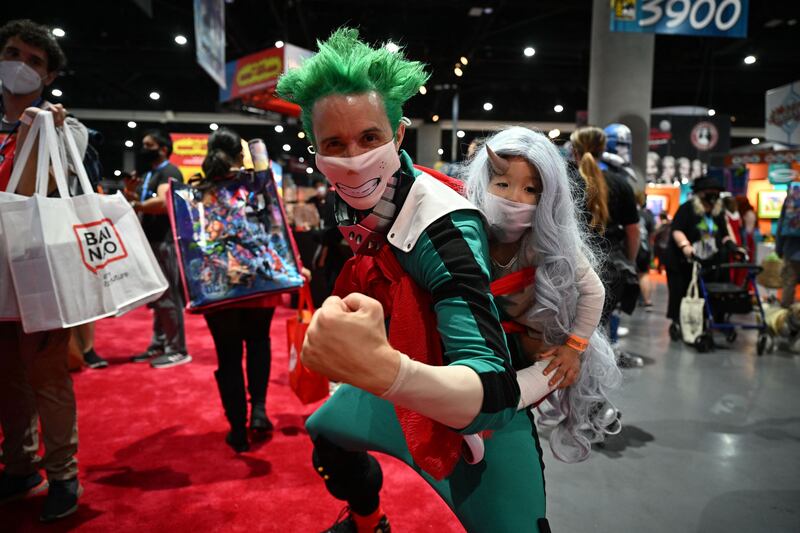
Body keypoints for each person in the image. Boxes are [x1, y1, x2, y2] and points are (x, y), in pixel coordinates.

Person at [278, 28, 551, 532]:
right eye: (333, 143)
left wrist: (385, 372)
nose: (353, 157)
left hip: (474, 410)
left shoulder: (443, 226)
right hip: (403, 369)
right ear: (315, 147)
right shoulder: (350, 198)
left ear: (398, 135)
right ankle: (368, 521)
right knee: (327, 433)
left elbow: (490, 392)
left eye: (369, 138)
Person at [462, 127, 622, 462]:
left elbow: (594, 291)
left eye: (530, 189)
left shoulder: (547, 240)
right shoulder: (466, 226)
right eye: (502, 184)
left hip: (531, 338)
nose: (514, 197)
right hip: (480, 331)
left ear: (546, 196)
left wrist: (574, 347)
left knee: (553, 367)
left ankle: (484, 418)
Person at [0, 19, 85, 521]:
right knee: (7, 377)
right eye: (13, 53)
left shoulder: (63, 128)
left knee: (48, 376)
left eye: (34, 61)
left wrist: (40, 130)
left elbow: (39, 196)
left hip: (38, 270)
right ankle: (18, 463)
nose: (21, 66)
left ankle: (62, 472)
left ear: (49, 74)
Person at [196, 128, 283, 452]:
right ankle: (259, 411)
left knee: (228, 354)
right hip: (259, 278)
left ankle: (237, 427)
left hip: (218, 283)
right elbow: (277, 224)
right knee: (259, 342)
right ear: (238, 157)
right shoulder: (256, 186)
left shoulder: (198, 191)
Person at [570, 126, 642, 367]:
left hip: (573, 266)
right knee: (602, 323)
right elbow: (633, 232)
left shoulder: (568, 181)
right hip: (612, 268)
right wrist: (630, 262)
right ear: (603, 150)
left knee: (571, 327)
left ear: (574, 151)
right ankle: (601, 371)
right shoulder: (622, 185)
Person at [128, 129, 192, 368]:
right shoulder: (150, 174)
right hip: (150, 241)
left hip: (164, 241)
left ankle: (177, 349)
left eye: (149, 144)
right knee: (157, 297)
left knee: (168, 297)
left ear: (163, 149)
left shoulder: (169, 171)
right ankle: (160, 343)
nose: (144, 149)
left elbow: (164, 203)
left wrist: (136, 203)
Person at [664, 177, 737, 339]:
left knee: (711, 290)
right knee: (681, 291)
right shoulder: (687, 209)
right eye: (709, 193)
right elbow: (677, 230)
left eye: (716, 194)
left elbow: (724, 234)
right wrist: (686, 246)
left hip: (709, 260)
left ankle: (709, 319)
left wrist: (732, 245)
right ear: (699, 194)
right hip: (682, 260)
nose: (713, 197)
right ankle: (678, 321)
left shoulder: (717, 212)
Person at [776, 183, 800, 308]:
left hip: (791, 251)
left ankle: (786, 320)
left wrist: (778, 249)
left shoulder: (792, 196)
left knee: (789, 286)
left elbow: (781, 224)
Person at [637, 191, 656, 309]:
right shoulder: (648, 216)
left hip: (633, 248)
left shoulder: (631, 213)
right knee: (644, 274)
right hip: (645, 248)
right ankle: (647, 300)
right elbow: (651, 235)